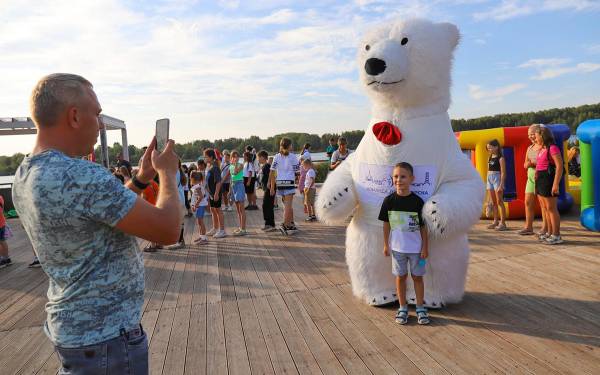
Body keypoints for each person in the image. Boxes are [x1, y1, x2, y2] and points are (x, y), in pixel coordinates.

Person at [12, 73, 182, 375]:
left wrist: (142, 178)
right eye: (97, 113)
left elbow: (102, 214)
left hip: (75, 330)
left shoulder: (26, 173)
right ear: (75, 116)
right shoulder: (79, 176)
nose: (101, 124)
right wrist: (167, 173)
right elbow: (168, 229)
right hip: (108, 339)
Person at [378, 162, 430, 325]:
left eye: (403, 176)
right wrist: (386, 244)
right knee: (401, 277)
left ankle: (420, 307)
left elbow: (423, 227)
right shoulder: (389, 201)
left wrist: (425, 247)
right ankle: (402, 307)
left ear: (412, 179)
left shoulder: (418, 202)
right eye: (395, 176)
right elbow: (386, 224)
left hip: (416, 251)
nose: (399, 180)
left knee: (417, 277)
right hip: (397, 249)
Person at [535, 126, 564, 245]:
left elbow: (560, 166)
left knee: (551, 208)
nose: (535, 138)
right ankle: (550, 232)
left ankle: (556, 235)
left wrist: (555, 184)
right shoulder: (542, 149)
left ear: (542, 136)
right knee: (545, 208)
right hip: (540, 180)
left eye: (536, 136)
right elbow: (539, 165)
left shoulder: (552, 148)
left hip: (548, 180)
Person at [270, 137, 300, 234]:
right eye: (291, 144)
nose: (292, 146)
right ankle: (285, 225)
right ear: (289, 146)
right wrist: (298, 181)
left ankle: (290, 224)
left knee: (287, 206)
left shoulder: (276, 156)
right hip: (289, 182)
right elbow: (297, 171)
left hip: (280, 183)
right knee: (288, 206)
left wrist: (272, 187)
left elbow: (272, 172)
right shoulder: (293, 156)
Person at [518, 125, 542, 235]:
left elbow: (546, 162)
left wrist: (533, 163)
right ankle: (528, 227)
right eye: (529, 135)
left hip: (542, 178)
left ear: (539, 133)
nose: (531, 137)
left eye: (532, 134)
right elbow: (525, 164)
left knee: (544, 205)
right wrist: (528, 164)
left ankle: (546, 228)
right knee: (528, 202)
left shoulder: (544, 147)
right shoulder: (530, 148)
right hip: (531, 178)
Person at [204, 149, 227, 238]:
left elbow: (218, 182)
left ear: (211, 157)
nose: (205, 158)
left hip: (215, 192)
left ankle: (222, 230)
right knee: (213, 210)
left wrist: (216, 193)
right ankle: (215, 228)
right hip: (211, 193)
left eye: (206, 157)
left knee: (218, 210)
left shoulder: (215, 167)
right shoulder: (209, 166)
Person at [485, 139, 507, 231]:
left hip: (497, 178)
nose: (489, 149)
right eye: (488, 148)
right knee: (493, 202)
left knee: (499, 202)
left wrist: (501, 185)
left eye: (490, 147)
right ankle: (495, 221)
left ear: (496, 147)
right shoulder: (490, 157)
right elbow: (488, 169)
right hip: (489, 178)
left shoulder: (500, 158)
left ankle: (503, 223)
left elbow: (503, 172)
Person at [141, 174, 162, 253]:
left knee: (151, 229)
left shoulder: (145, 187)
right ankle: (159, 243)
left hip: (149, 209)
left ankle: (153, 246)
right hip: (157, 207)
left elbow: (144, 199)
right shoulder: (155, 184)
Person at [229, 150, 247, 235]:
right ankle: (240, 227)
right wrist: (230, 191)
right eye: (233, 156)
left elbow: (236, 172)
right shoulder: (230, 166)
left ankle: (243, 229)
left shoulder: (240, 165)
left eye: (236, 156)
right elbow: (231, 178)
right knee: (238, 210)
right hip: (233, 186)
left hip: (239, 185)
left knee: (241, 209)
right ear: (231, 157)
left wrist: (235, 163)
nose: (235, 158)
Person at [258, 150, 277, 231]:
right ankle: (269, 224)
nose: (258, 159)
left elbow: (272, 176)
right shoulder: (265, 166)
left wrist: (272, 188)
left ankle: (270, 225)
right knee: (267, 206)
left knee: (267, 206)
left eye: (258, 157)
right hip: (267, 189)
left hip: (270, 189)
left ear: (262, 157)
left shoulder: (267, 166)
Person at [190, 171, 209, 244]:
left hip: (200, 206)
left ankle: (204, 239)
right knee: (199, 222)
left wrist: (195, 205)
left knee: (201, 222)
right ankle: (201, 236)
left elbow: (200, 197)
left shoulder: (197, 187)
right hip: (200, 206)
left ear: (193, 179)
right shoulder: (199, 185)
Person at [0, 195, 11, 268]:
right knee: (2, 241)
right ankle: (6, 258)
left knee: (1, 241)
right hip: (2, 222)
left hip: (0, 224)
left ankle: (4, 259)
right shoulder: (0, 197)